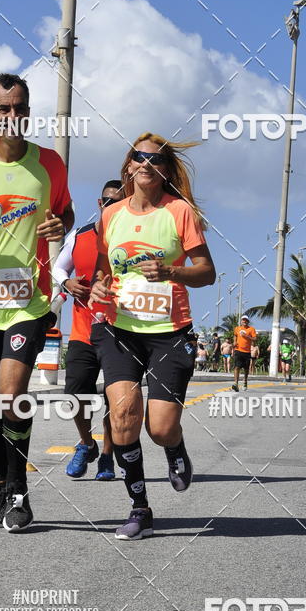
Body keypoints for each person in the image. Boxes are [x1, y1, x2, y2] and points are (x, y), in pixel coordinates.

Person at [0, 73, 74, 532]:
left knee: (11, 395)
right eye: (3, 109)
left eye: (19, 107)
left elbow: (66, 210)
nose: (12, 116)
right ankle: (1, 485)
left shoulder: (50, 163)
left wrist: (59, 226)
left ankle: (20, 493)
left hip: (30, 299)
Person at [89, 133, 216, 541]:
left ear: (165, 171)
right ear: (128, 165)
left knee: (159, 428)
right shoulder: (110, 216)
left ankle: (174, 450)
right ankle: (140, 507)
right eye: (139, 157)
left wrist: (172, 272)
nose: (146, 164)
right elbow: (102, 272)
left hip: (169, 332)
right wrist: (96, 288)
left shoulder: (180, 212)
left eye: (156, 160)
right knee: (123, 419)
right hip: (118, 329)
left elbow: (207, 272)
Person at [52, 181, 124, 481]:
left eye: (119, 203)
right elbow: (58, 268)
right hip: (83, 331)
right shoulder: (80, 235)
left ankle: (107, 456)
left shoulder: (131, 241)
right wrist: (66, 283)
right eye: (108, 202)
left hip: (119, 333)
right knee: (74, 395)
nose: (112, 207)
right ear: (99, 202)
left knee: (113, 400)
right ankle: (86, 443)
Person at [231, 315, 256, 391]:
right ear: (241, 321)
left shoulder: (251, 329)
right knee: (237, 367)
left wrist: (247, 336)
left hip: (247, 352)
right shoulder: (237, 328)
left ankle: (245, 381)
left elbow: (254, 339)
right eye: (243, 320)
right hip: (238, 350)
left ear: (248, 321)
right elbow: (235, 336)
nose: (244, 321)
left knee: (246, 369)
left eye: (245, 320)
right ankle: (236, 383)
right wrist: (234, 342)